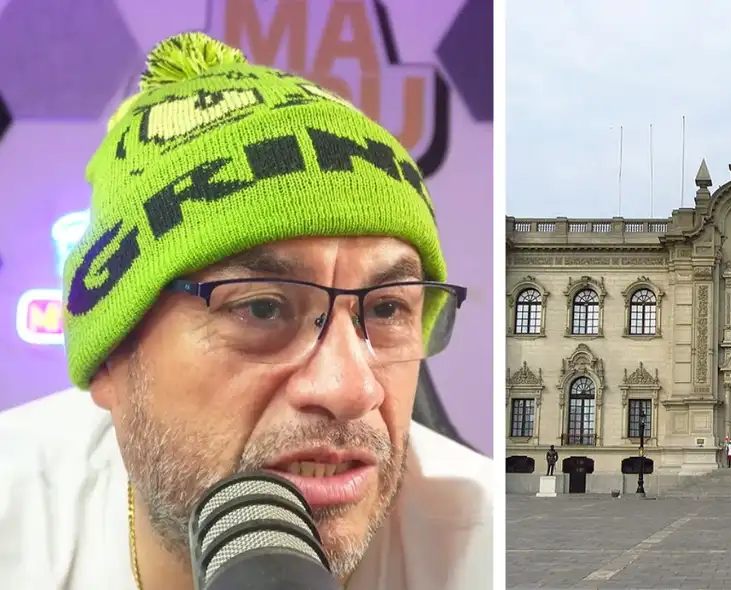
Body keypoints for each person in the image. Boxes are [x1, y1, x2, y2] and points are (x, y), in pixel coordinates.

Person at [0, 32, 492, 589]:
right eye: (261, 308)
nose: (352, 390)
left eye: (385, 311)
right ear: (111, 355)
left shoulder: (484, 547)